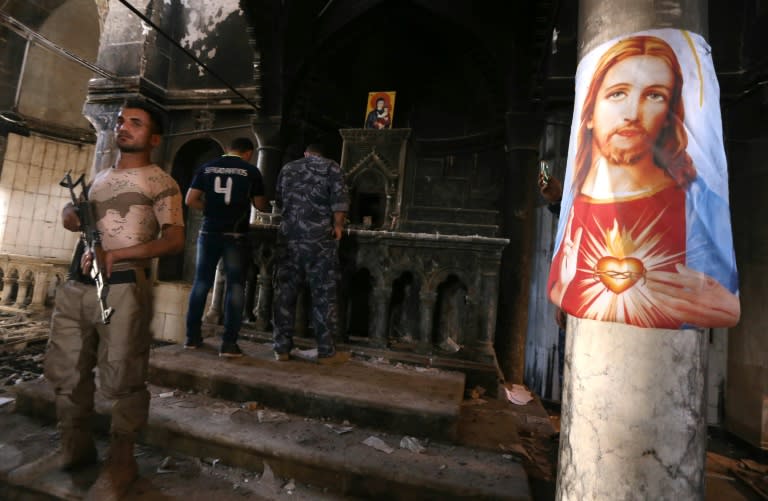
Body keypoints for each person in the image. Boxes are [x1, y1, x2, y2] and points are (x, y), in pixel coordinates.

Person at [9, 99, 185, 499]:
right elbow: (82, 219)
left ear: (153, 138)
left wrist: (117, 255)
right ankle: (74, 449)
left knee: (123, 379)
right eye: (122, 121)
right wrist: (71, 214)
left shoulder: (161, 182)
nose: (124, 127)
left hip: (122, 288)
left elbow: (175, 240)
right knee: (66, 374)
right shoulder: (101, 175)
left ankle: (122, 466)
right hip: (76, 286)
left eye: (136, 123)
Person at [548, 35, 739, 329]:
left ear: (668, 116)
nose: (631, 114)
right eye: (617, 93)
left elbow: (724, 298)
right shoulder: (574, 210)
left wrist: (727, 303)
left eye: (654, 95)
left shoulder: (699, 205)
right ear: (589, 114)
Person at [184, 137, 268, 357]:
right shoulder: (251, 171)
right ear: (248, 153)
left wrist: (210, 209)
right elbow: (261, 205)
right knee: (236, 286)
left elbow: (190, 200)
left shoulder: (207, 167)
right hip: (236, 235)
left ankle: (192, 338)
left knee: (201, 283)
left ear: (228, 149)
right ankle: (229, 344)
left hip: (209, 232)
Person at [272, 143, 351, 364]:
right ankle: (326, 351)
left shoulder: (288, 168)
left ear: (305, 153)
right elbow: (340, 202)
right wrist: (338, 226)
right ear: (321, 154)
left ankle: (282, 349)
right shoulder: (332, 167)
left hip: (288, 239)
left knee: (284, 294)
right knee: (323, 295)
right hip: (319, 242)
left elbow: (278, 201)